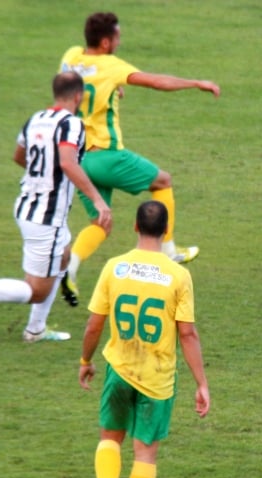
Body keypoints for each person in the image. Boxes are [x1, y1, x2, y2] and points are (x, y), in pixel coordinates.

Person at [0, 72, 112, 343]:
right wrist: (98, 201)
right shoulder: (72, 124)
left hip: (27, 207)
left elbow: (19, 156)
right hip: (46, 218)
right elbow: (67, 162)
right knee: (37, 290)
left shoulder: (34, 120)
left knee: (64, 256)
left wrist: (42, 175)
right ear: (78, 96)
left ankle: (36, 330)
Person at [59, 11, 220, 304]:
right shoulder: (112, 65)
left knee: (101, 222)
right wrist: (196, 82)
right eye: (118, 37)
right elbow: (156, 81)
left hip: (78, 160)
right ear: (107, 42)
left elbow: (77, 87)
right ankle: (169, 250)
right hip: (106, 155)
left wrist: (110, 91)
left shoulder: (70, 57)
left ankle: (70, 267)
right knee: (163, 181)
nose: (120, 42)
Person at [79, 200, 211, 478]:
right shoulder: (178, 276)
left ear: (135, 227)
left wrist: (85, 360)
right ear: (166, 231)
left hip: (119, 369)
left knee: (110, 437)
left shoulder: (114, 267)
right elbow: (187, 334)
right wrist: (201, 383)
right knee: (145, 453)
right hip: (157, 379)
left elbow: (94, 323)